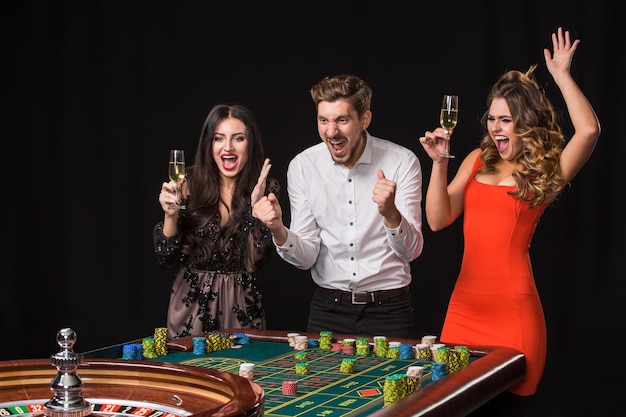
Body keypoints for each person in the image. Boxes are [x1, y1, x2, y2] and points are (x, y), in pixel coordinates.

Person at [418, 27, 600, 415]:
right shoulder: (476, 160)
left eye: (506, 120)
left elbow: (588, 131)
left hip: (516, 320)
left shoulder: (543, 172)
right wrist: (438, 164)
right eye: (493, 119)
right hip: (463, 312)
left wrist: (562, 75)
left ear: (526, 123)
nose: (496, 127)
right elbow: (437, 220)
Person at [253, 74, 424, 338]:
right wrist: (277, 229)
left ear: (364, 120)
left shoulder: (402, 161)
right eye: (324, 120)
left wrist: (391, 214)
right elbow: (307, 256)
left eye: (342, 120)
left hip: (390, 311)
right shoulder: (303, 166)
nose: (331, 132)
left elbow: (410, 252)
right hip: (328, 312)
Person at [154, 104, 279, 339]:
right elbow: (166, 258)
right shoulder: (187, 182)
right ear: (209, 145)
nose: (228, 147)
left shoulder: (264, 187)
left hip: (243, 308)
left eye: (238, 138)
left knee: (240, 374)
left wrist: (254, 209)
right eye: (218, 138)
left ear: (250, 144)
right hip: (190, 309)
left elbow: (256, 263)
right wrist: (170, 215)